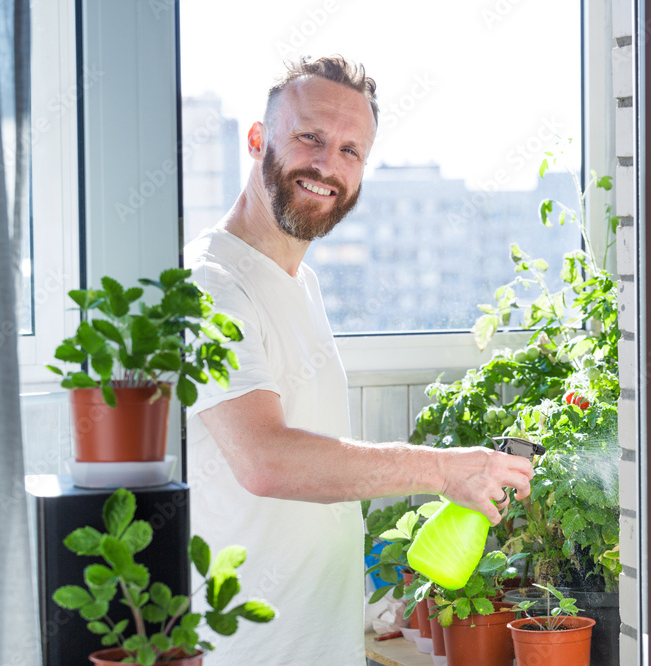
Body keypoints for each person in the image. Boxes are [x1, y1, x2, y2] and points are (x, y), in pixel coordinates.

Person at [184, 55, 534, 665]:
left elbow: (313, 472)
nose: (328, 165)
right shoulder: (208, 283)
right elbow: (266, 461)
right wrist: (443, 470)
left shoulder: (303, 284)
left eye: (351, 151)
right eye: (310, 137)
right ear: (258, 139)